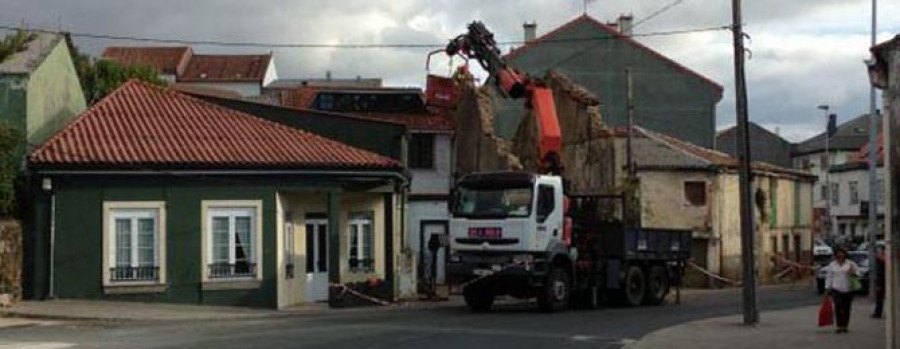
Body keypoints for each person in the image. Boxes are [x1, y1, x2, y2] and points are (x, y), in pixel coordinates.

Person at [825, 248, 858, 333]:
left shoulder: (850, 263)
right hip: (836, 288)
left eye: (842, 253)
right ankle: (839, 326)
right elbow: (829, 276)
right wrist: (827, 288)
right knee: (838, 307)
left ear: (845, 254)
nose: (840, 255)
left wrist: (852, 272)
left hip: (848, 289)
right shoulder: (832, 265)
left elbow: (857, 274)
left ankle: (845, 326)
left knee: (846, 308)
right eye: (838, 253)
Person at [872, 245, 886, 318]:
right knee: (879, 297)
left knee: (879, 297)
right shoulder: (880, 260)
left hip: (882, 280)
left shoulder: (883, 260)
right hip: (880, 280)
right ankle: (877, 312)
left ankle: (878, 313)